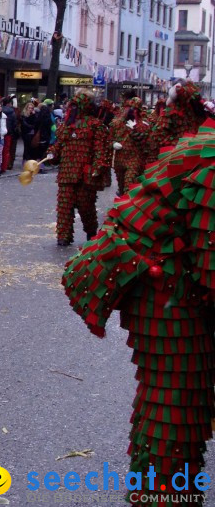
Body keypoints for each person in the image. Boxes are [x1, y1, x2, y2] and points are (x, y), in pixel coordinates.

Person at [62, 107, 215, 503]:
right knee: (177, 402)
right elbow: (210, 263)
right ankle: (164, 495)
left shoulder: (203, 146)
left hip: (166, 279)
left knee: (171, 401)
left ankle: (161, 490)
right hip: (162, 288)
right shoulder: (210, 156)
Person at [46, 93, 111, 246]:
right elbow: (58, 146)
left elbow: (101, 149)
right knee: (64, 206)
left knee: (86, 206)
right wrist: (52, 154)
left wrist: (98, 166)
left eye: (76, 106)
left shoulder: (96, 125)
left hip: (85, 174)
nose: (73, 109)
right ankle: (63, 236)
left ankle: (91, 231)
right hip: (67, 174)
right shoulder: (66, 126)